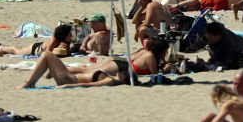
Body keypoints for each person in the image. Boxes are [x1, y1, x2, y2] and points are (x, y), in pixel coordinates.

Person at [22, 39, 168, 87]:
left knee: (87, 69)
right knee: (87, 71)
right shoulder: (151, 57)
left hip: (119, 60)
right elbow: (155, 73)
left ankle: (58, 69)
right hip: (122, 67)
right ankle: (58, 69)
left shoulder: (144, 50)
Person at [0, 24, 73, 57]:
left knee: (18, 51)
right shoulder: (54, 39)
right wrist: (57, 51)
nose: (71, 35)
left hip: (40, 48)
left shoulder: (66, 40)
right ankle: (2, 48)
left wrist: (67, 46)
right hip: (35, 49)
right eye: (69, 34)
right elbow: (47, 52)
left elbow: (68, 53)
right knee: (17, 51)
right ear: (64, 34)